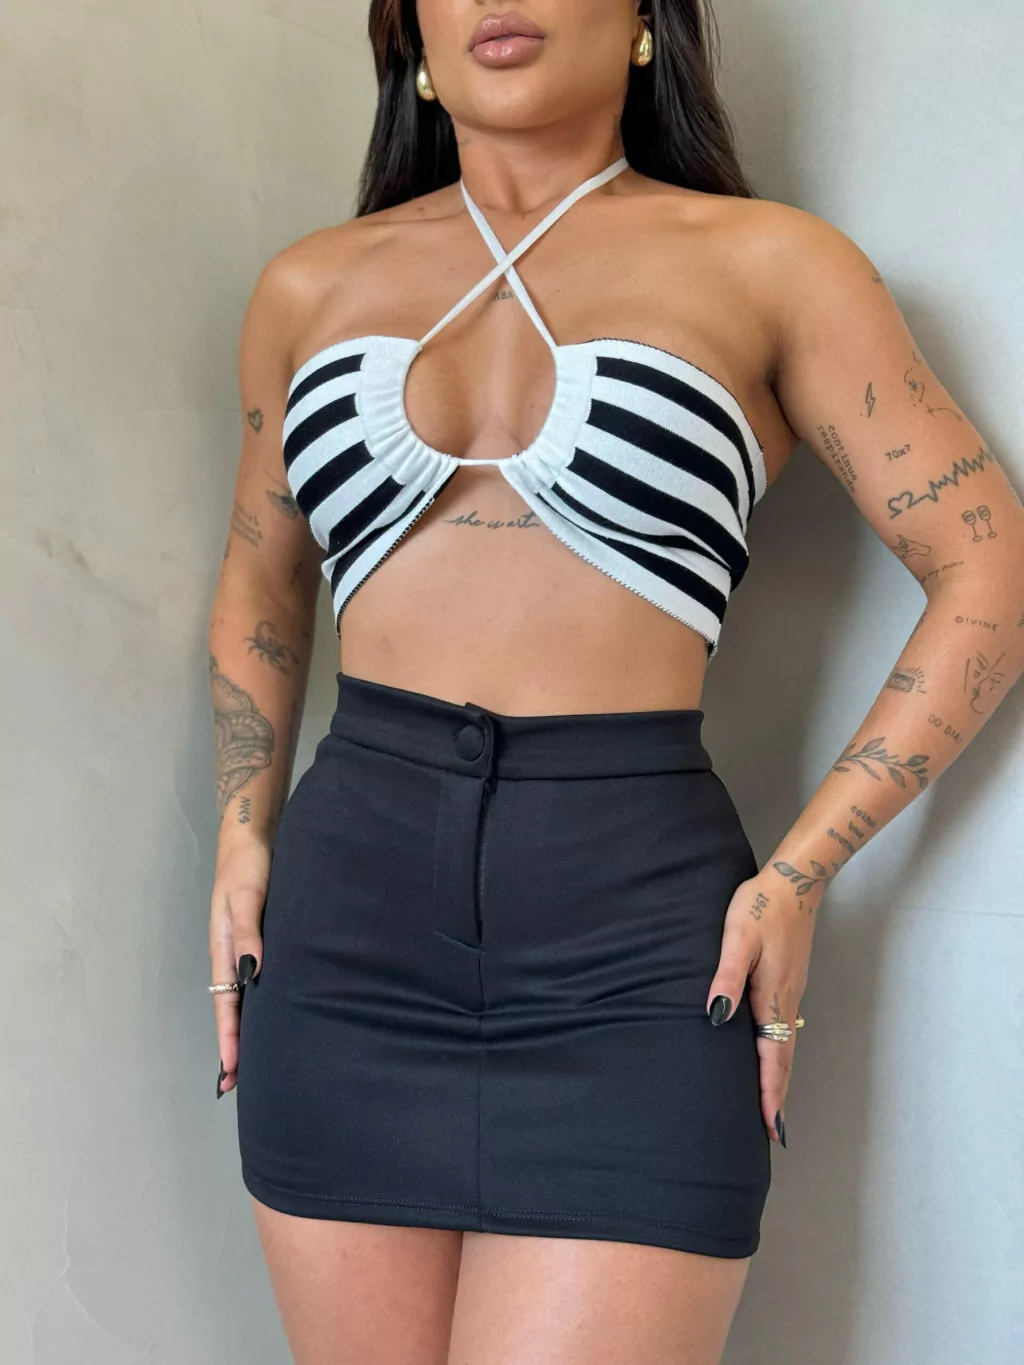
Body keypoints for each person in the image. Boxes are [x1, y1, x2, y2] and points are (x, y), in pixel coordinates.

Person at [206, 3, 1023, 1361]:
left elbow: (987, 564)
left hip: (635, 946)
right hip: (347, 935)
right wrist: (245, 835)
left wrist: (802, 874)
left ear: (648, 21)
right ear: (409, 33)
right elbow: (259, 582)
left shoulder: (772, 265)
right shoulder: (307, 288)